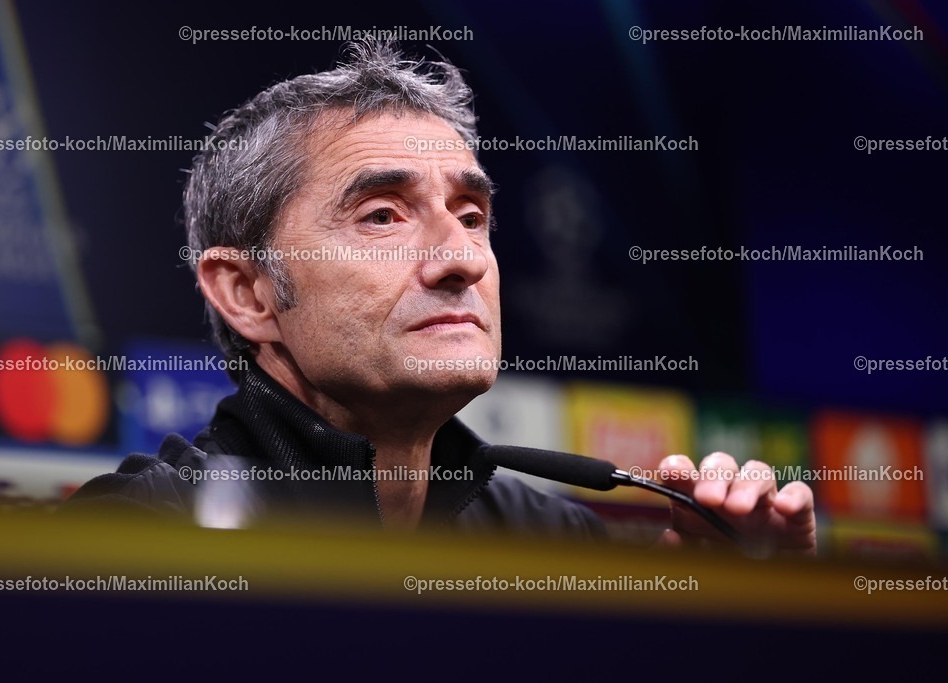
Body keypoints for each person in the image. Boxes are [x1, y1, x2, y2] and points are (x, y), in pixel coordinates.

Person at [66, 41, 815, 554]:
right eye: (382, 216)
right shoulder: (136, 538)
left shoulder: (557, 548)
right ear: (248, 292)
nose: (462, 259)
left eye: (471, 216)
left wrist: (743, 623)